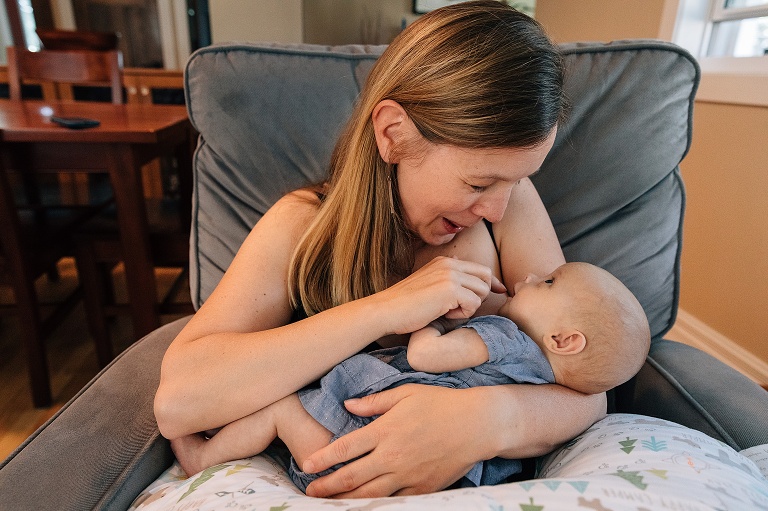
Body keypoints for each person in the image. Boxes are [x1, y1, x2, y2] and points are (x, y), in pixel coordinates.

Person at [154, 1, 609, 498]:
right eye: (479, 183)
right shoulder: (301, 226)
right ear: (393, 134)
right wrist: (386, 309)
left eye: (518, 179)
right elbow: (178, 402)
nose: (497, 209)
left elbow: (588, 383)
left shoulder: (511, 205)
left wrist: (483, 421)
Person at [170, 262, 651, 493]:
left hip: (354, 439)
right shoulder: (546, 375)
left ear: (564, 339)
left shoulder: (504, 336)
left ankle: (203, 457)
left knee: (280, 408)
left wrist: (435, 318)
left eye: (546, 282)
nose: (528, 277)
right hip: (441, 482)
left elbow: (425, 356)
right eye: (477, 183)